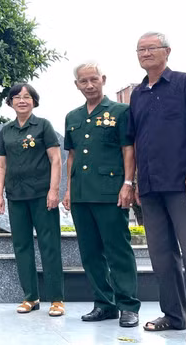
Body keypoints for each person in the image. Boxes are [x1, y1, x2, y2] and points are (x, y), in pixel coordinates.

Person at [128, 32, 186, 342]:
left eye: (151, 48)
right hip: (151, 186)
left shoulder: (184, 83)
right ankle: (173, 314)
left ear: (167, 51)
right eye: (140, 49)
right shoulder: (137, 94)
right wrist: (138, 180)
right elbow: (137, 140)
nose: (145, 53)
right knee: (161, 254)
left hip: (183, 183)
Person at [63, 62, 140, 328]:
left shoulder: (120, 111)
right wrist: (68, 190)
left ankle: (128, 306)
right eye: (83, 81)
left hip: (111, 192)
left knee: (118, 249)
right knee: (90, 252)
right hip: (82, 195)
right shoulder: (72, 117)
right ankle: (103, 304)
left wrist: (128, 183)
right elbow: (71, 156)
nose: (89, 85)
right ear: (77, 85)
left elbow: (128, 149)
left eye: (93, 79)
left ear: (103, 79)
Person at [0, 83, 65, 316]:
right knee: (22, 246)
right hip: (16, 195)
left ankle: (56, 299)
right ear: (11, 102)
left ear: (34, 101)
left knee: (49, 245)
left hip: (42, 195)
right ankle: (30, 297)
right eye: (17, 97)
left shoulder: (43, 126)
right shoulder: (6, 131)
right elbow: (2, 164)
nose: (22, 101)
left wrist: (54, 190)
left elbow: (56, 159)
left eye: (27, 97)